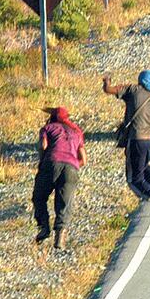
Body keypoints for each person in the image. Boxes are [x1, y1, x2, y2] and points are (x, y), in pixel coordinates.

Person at [102, 69, 150, 215]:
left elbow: (108, 90)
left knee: (135, 179)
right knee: (142, 166)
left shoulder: (132, 90)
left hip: (137, 140)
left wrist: (106, 81)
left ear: (140, 79)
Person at [33, 106, 87, 250]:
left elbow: (43, 146)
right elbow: (84, 159)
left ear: (53, 117)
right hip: (71, 168)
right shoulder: (76, 132)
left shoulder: (48, 128)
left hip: (51, 163)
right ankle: (60, 239)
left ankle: (44, 228)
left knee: (39, 197)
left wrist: (42, 160)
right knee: (64, 203)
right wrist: (73, 165)